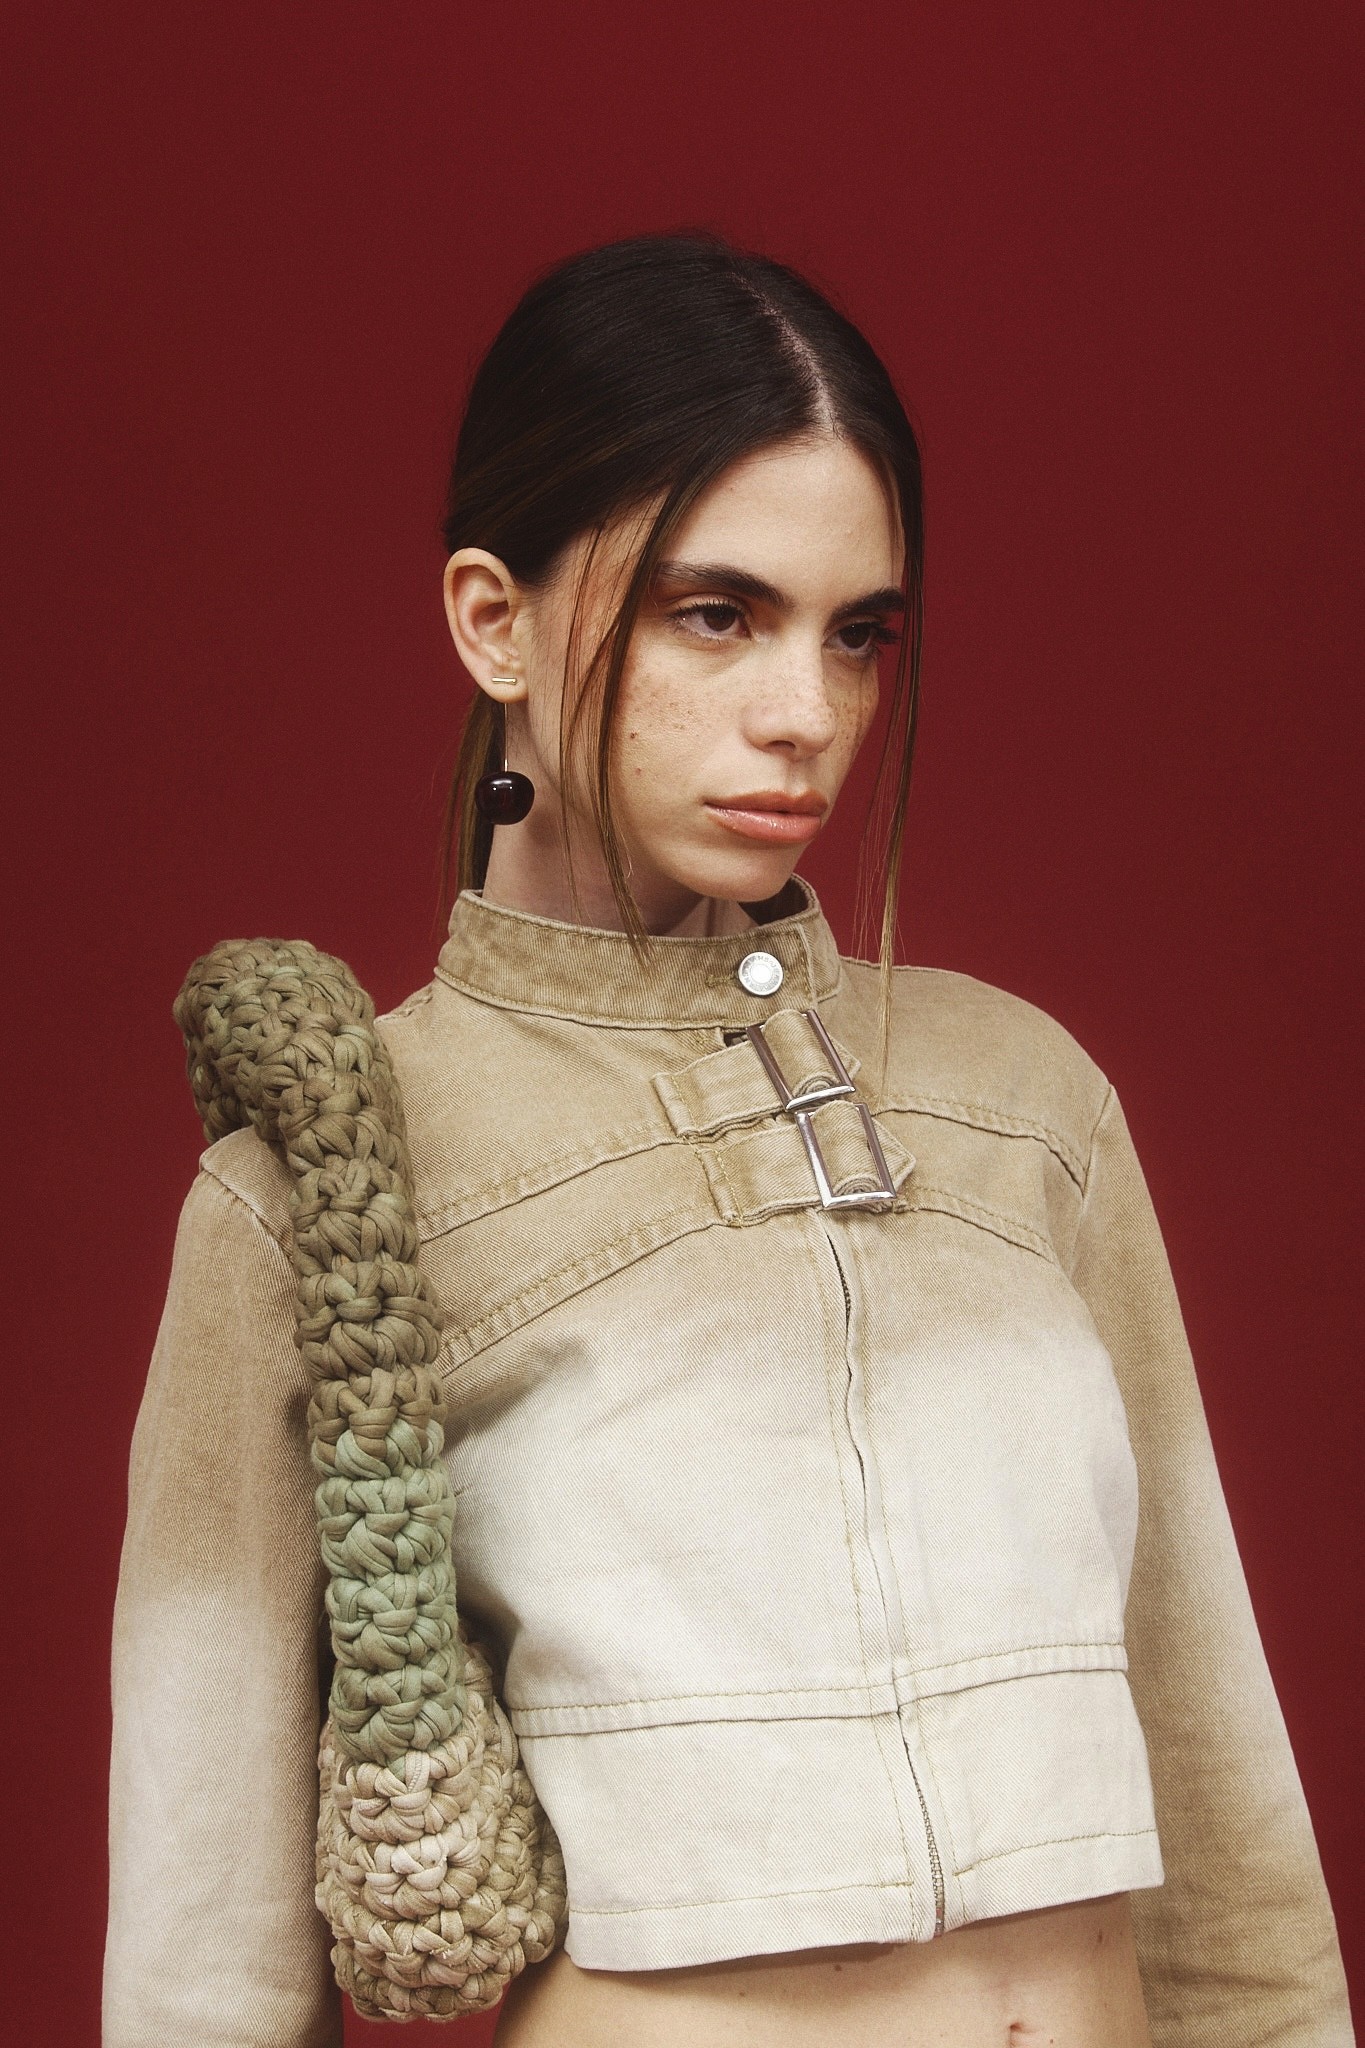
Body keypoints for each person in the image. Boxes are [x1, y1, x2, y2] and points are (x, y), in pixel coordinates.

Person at [104, 234, 1353, 2048]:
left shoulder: (1027, 1105)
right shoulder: (319, 1188)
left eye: (858, 633)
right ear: (492, 621)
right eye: (719, 614)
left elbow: (1219, 1796)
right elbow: (203, 1963)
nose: (808, 713)